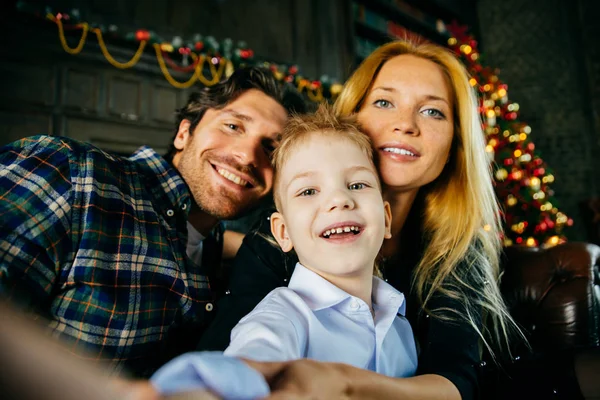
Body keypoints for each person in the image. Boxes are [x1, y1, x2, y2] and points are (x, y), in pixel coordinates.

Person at [198, 40, 520, 400]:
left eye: (432, 112)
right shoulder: (284, 257)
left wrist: (347, 386)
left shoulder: (452, 253)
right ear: (353, 114)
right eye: (384, 102)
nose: (405, 124)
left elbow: (457, 376)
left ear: (454, 144)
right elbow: (238, 362)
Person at [0, 66, 304, 378]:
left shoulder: (214, 250)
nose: (248, 156)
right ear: (184, 132)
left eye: (271, 148)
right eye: (233, 126)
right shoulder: (73, 171)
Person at [146, 105, 418, 399]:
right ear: (283, 232)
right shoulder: (283, 317)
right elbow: (248, 367)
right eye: (308, 191)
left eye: (357, 184)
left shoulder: (400, 319)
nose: (340, 199)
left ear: (386, 219)